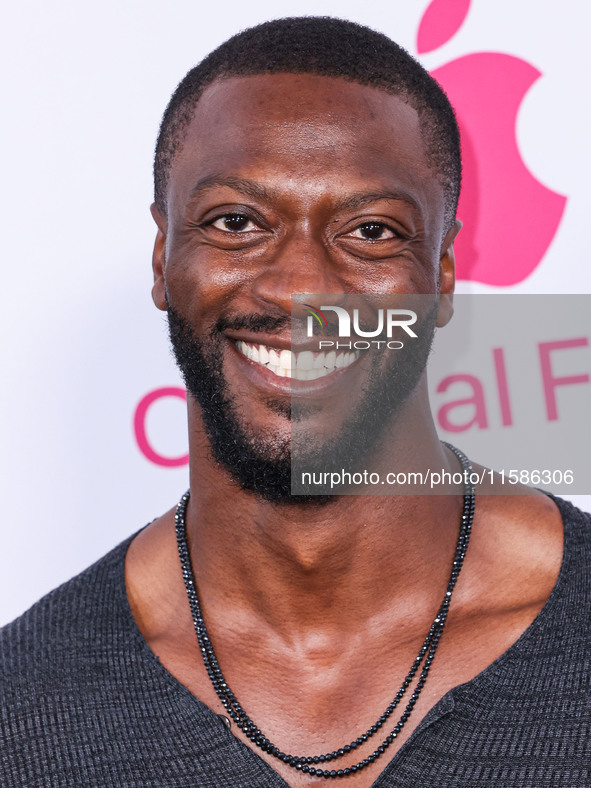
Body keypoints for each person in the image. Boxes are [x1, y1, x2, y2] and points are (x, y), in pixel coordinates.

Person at [1, 17, 589, 788]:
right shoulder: (25, 710)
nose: (302, 288)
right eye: (236, 223)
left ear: (441, 278)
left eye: (371, 231)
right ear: (162, 256)